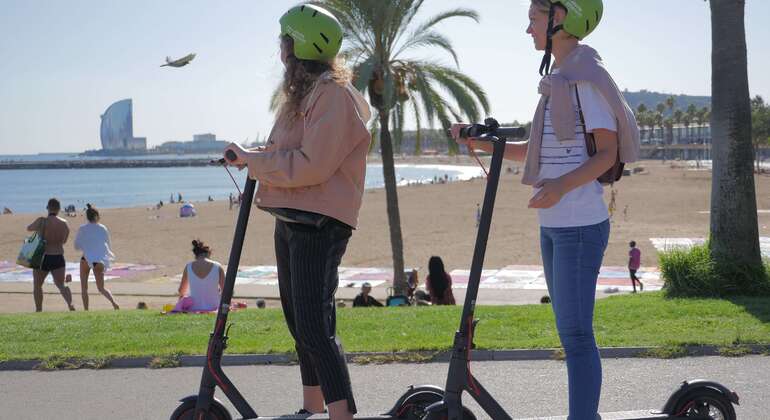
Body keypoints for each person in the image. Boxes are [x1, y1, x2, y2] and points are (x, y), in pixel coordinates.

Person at [451, 1, 640, 418]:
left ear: (561, 18)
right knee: (569, 333)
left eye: (535, 17)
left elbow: (606, 154)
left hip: (578, 224)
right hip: (554, 225)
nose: (528, 28)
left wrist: (558, 187)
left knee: (576, 336)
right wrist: (480, 141)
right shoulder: (561, 80)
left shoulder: (585, 81)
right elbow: (538, 149)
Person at [223, 4, 371, 418]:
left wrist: (255, 160)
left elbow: (312, 164)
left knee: (314, 325)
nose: (280, 52)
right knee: (298, 322)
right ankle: (311, 408)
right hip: (292, 216)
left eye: (284, 44)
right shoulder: (302, 96)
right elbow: (281, 152)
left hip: (319, 223)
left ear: (297, 47)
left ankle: (341, 414)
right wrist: (248, 157)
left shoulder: (336, 97)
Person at [26, 198, 75, 312]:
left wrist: (40, 228)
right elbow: (64, 241)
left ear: (47, 208)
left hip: (42, 257)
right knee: (61, 285)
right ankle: (70, 304)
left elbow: (28, 228)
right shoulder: (64, 223)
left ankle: (39, 310)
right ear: (58, 209)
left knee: (37, 285)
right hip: (58, 256)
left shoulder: (42, 221)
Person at [74, 204, 119, 310]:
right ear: (97, 216)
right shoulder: (103, 228)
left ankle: (86, 310)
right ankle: (114, 303)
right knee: (101, 288)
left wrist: (86, 246)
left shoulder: (82, 228)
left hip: (86, 258)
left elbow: (76, 246)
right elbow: (108, 244)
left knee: (84, 288)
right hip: (99, 260)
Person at [176, 239, 224, 312]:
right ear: (208, 254)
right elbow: (226, 291)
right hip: (214, 306)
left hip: (194, 307)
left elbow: (181, 291)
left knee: (183, 297)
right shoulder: (217, 266)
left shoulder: (188, 266)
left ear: (196, 255)